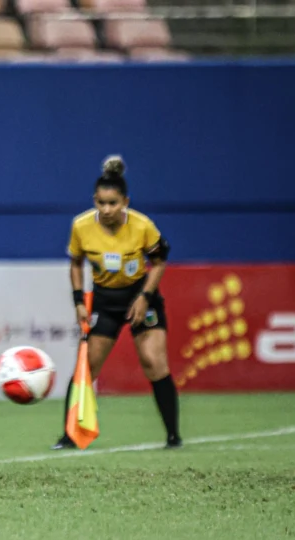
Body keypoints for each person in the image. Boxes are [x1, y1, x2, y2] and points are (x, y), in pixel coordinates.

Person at [53, 155, 181, 450]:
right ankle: (69, 435)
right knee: (87, 367)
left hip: (140, 298)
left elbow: (159, 262)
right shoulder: (81, 226)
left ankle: (173, 435)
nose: (107, 209)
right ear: (94, 201)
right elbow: (75, 263)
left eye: (113, 203)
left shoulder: (143, 226)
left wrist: (145, 297)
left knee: (154, 362)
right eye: (101, 203)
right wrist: (78, 301)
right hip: (105, 301)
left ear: (125, 201)